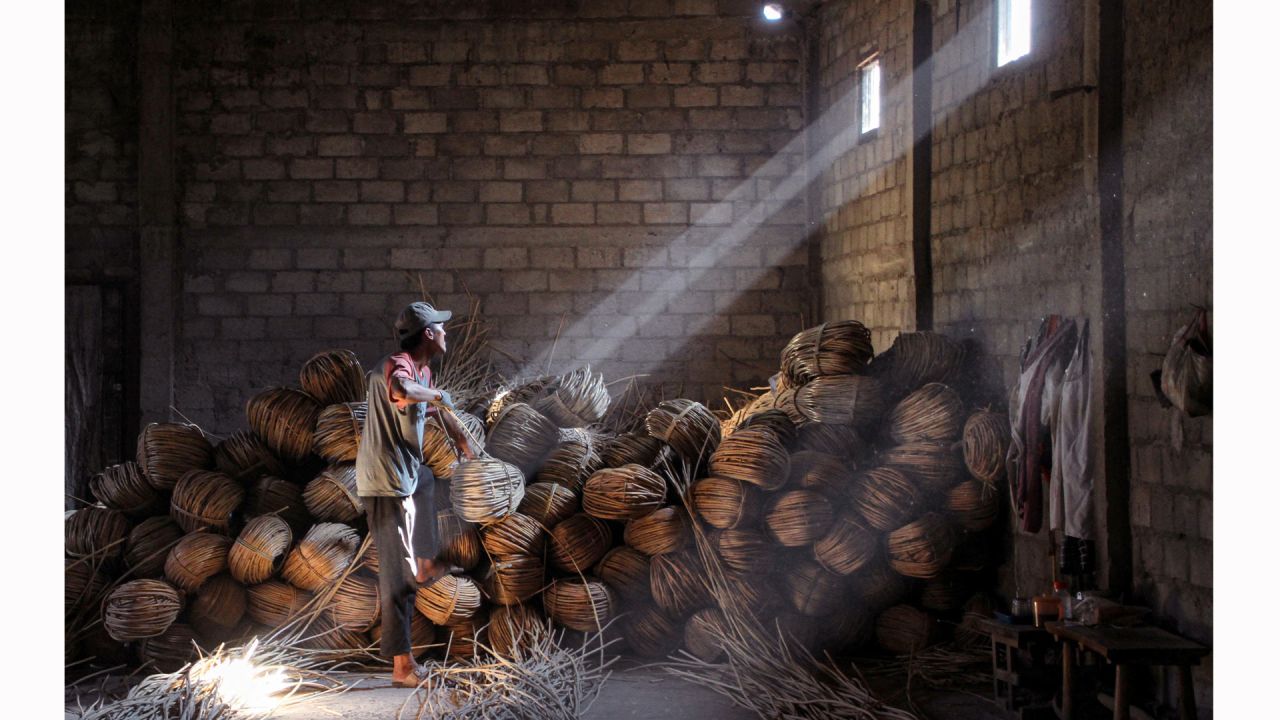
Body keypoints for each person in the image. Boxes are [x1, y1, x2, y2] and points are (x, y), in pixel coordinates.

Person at [355, 301, 476, 687]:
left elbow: (434, 406)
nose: (446, 333)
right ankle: (402, 668)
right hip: (384, 484)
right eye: (441, 328)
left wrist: (461, 439)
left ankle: (426, 562)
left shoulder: (422, 369)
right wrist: (436, 398)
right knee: (397, 576)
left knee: (427, 479)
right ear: (428, 334)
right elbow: (403, 391)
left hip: (406, 476)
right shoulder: (397, 366)